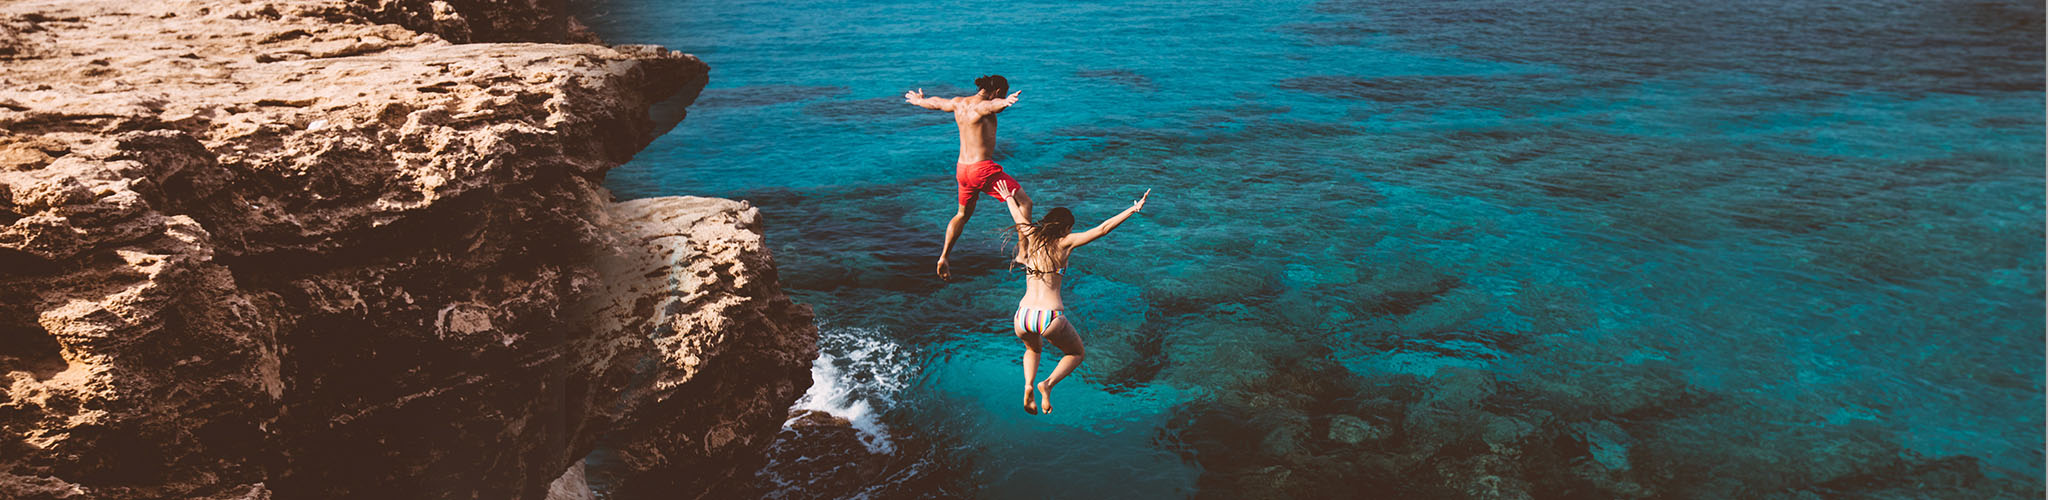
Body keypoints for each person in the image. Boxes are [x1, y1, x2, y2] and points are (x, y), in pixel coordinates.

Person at [992, 182, 1149, 414]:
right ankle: (1046, 385)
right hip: (1049, 316)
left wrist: (1008, 197)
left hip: (1022, 315)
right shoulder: (1065, 243)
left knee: (1033, 350)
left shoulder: (1032, 235)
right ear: (1065, 228)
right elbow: (1103, 229)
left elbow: (1017, 215)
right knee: (1076, 354)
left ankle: (1027, 386)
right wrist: (1132, 209)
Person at [903, 75, 1028, 279]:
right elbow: (991, 107)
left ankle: (944, 256)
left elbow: (937, 103)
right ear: (996, 91)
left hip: (962, 170)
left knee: (961, 215)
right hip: (983, 170)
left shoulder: (959, 103)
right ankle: (1023, 254)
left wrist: (919, 101)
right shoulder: (983, 106)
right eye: (1002, 94)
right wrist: (1005, 102)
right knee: (1025, 203)